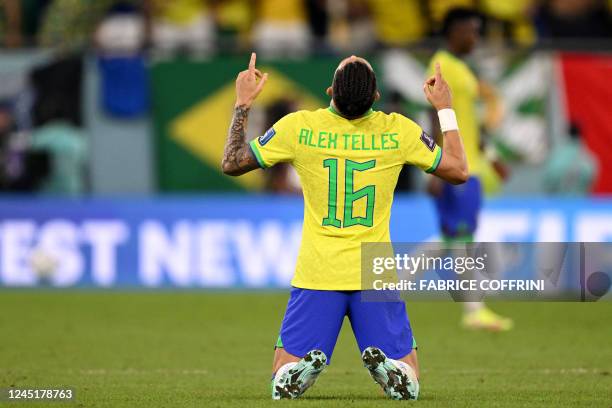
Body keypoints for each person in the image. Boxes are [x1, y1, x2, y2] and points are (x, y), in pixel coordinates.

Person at [221, 52, 468, 400]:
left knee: (281, 370)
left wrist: (243, 102)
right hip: (374, 273)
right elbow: (458, 170)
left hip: (318, 271)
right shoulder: (398, 131)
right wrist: (444, 108)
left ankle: (295, 373)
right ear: (376, 97)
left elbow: (231, 162)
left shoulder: (300, 128)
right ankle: (397, 374)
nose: (353, 55)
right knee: (410, 372)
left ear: (330, 91)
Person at [427, 8, 513, 331]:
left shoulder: (462, 69)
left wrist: (491, 156)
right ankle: (474, 310)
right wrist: (434, 164)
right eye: (470, 32)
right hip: (455, 164)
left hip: (472, 164)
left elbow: (471, 122)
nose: (474, 38)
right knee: (460, 235)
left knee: (455, 236)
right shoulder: (441, 65)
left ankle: (391, 283)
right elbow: (432, 113)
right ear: (453, 32)